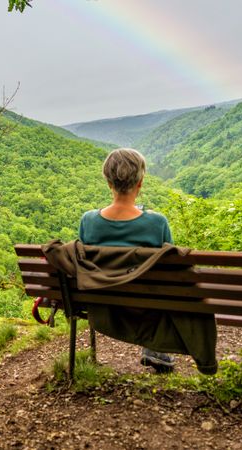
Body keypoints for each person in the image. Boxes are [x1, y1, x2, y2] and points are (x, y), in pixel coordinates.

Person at [78, 147, 176, 373]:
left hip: (102, 300)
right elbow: (170, 267)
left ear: (108, 183)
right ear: (140, 183)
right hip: (145, 303)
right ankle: (155, 348)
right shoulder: (157, 223)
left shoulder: (88, 221)